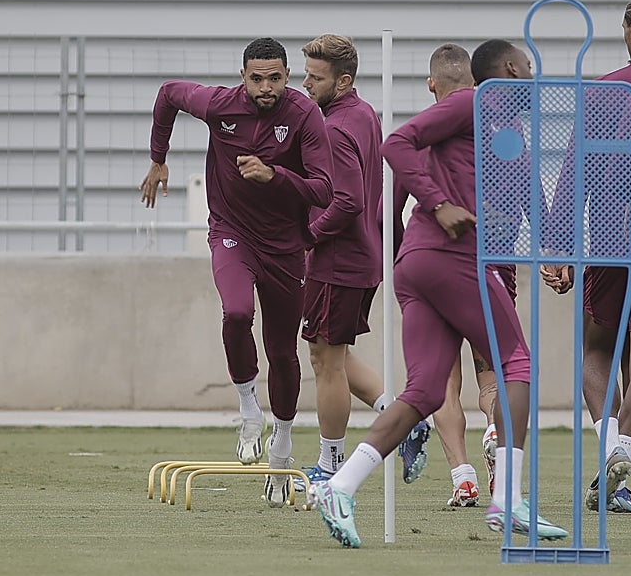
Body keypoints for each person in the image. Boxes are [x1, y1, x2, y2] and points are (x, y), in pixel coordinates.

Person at [309, 39, 568, 548]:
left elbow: (529, 192)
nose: (535, 81)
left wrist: (552, 252)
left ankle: (339, 488)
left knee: (424, 393)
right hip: (452, 259)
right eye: (529, 70)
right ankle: (508, 500)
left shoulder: (507, 129)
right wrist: (441, 203)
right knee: (517, 365)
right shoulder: (471, 102)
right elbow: (395, 144)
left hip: (427, 267)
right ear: (512, 69)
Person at [140, 38, 332, 507]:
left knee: (283, 353)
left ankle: (282, 450)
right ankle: (249, 408)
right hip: (232, 233)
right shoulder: (219, 105)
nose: (266, 87)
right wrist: (158, 158)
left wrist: (275, 176)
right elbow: (168, 93)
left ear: (287, 77)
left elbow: (325, 190)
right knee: (236, 312)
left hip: (287, 246)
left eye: (275, 78)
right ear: (243, 77)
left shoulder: (305, 115)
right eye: (256, 78)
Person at [544, 0, 631, 516]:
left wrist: (558, 244)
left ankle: (612, 458)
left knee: (598, 349)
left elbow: (573, 168)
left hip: (607, 234)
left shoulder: (606, 90)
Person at [395, 43, 501, 507]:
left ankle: (462, 474)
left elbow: (390, 207)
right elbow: (528, 187)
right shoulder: (501, 126)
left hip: (434, 260)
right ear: (475, 82)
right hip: (492, 257)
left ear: (432, 84)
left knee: (441, 381)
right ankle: (499, 435)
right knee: (496, 371)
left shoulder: (424, 138)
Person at [297, 34, 384, 486]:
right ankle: (403, 419)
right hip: (361, 255)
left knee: (324, 362)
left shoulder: (332, 127)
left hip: (338, 260)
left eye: (316, 77)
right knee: (332, 353)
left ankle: (330, 464)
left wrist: (308, 236)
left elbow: (347, 200)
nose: (305, 84)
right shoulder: (365, 113)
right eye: (306, 73)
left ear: (344, 81)